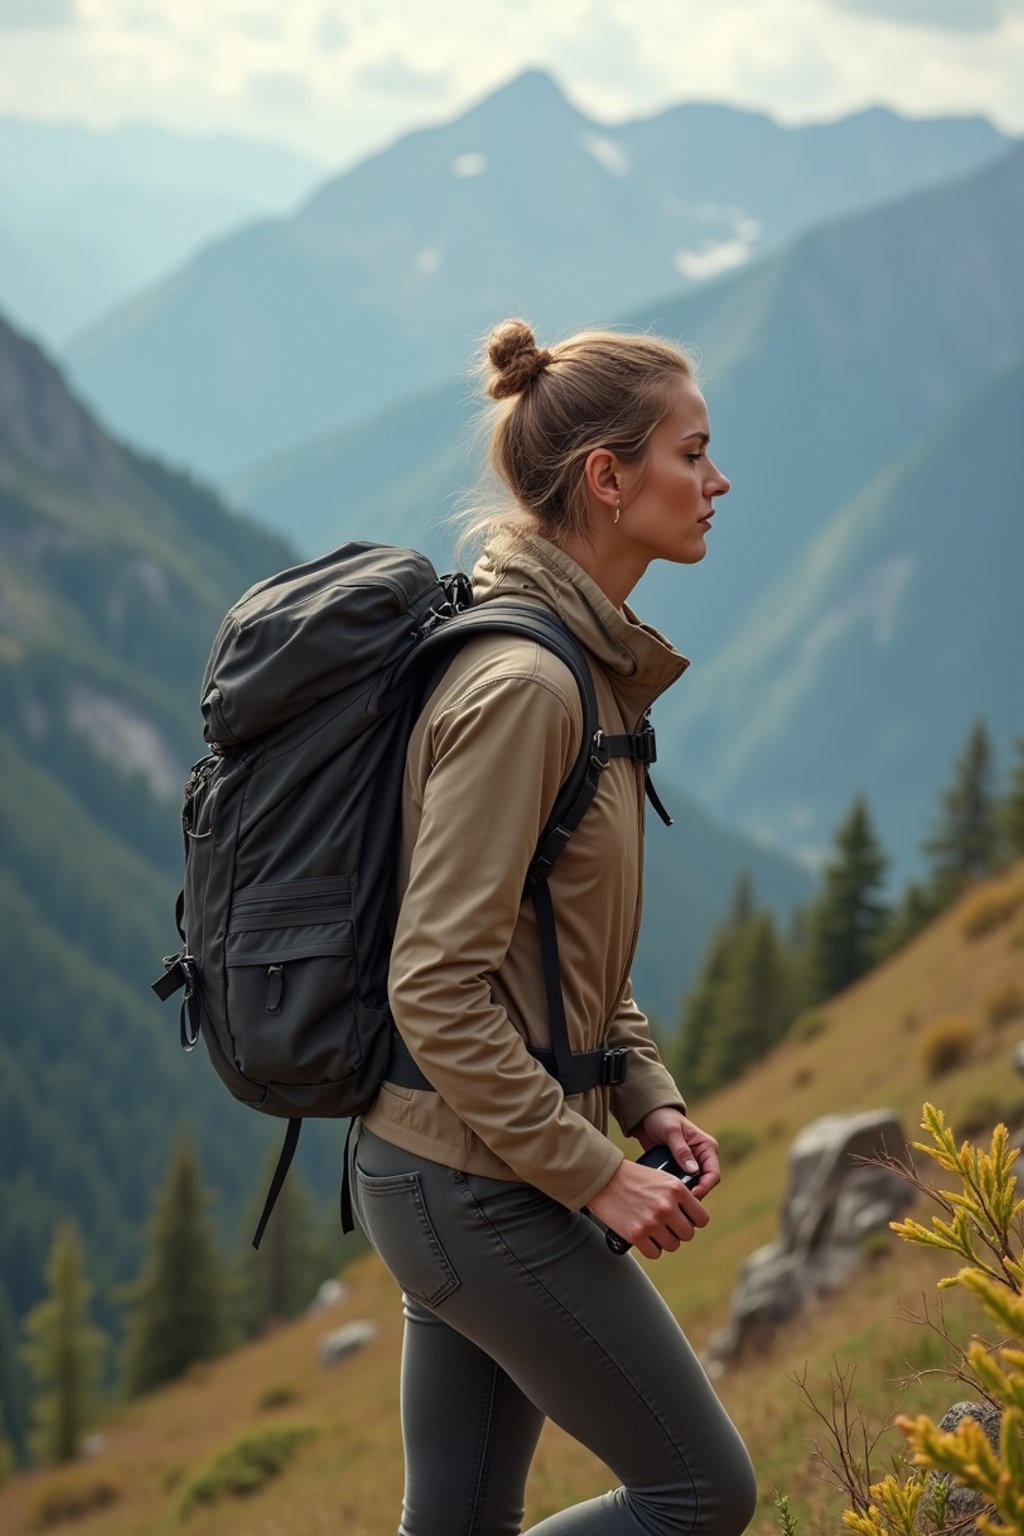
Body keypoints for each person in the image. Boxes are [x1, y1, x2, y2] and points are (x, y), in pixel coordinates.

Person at [350, 318, 758, 1536]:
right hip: (474, 1182)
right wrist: (599, 1179)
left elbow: (559, 945)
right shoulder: (531, 687)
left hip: (460, 1165)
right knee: (698, 1495)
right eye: (694, 452)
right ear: (607, 477)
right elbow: (434, 986)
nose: (717, 481)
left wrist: (647, 1097)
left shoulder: (577, 661)